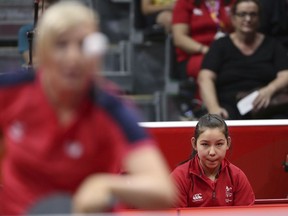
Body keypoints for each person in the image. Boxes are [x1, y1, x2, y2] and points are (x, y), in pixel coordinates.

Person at [0, 1, 176, 215]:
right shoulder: (11, 92)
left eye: (83, 45)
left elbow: (163, 190)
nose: (73, 57)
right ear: (44, 52)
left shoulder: (111, 110)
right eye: (61, 45)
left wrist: (106, 184)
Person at [198, 0, 288, 119]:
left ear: (259, 18)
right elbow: (205, 77)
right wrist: (214, 109)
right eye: (242, 14)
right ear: (233, 18)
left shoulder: (273, 45)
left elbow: (285, 74)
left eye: (253, 14)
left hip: (266, 106)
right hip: (228, 107)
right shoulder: (220, 45)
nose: (248, 19)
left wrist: (269, 90)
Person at [171, 114, 255, 207]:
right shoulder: (179, 177)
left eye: (219, 144)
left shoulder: (237, 177)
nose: (212, 152)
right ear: (194, 144)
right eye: (205, 144)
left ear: (228, 143)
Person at [18, 0, 59, 65]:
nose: (42, 12)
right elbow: (30, 60)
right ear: (33, 11)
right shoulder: (26, 31)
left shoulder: (60, 30)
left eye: (47, 7)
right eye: (39, 8)